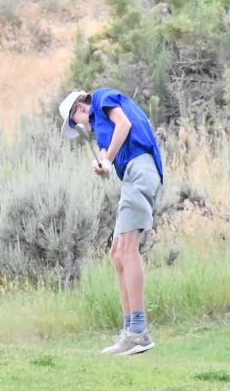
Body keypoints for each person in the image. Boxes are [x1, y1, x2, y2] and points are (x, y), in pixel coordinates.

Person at [59, 88, 163, 356]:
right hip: (131, 175)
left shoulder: (102, 98)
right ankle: (129, 329)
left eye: (75, 122)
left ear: (80, 108)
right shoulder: (102, 131)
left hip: (141, 169)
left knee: (127, 250)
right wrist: (102, 166)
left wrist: (106, 158)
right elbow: (108, 155)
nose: (80, 127)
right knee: (116, 253)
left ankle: (138, 332)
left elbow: (124, 124)